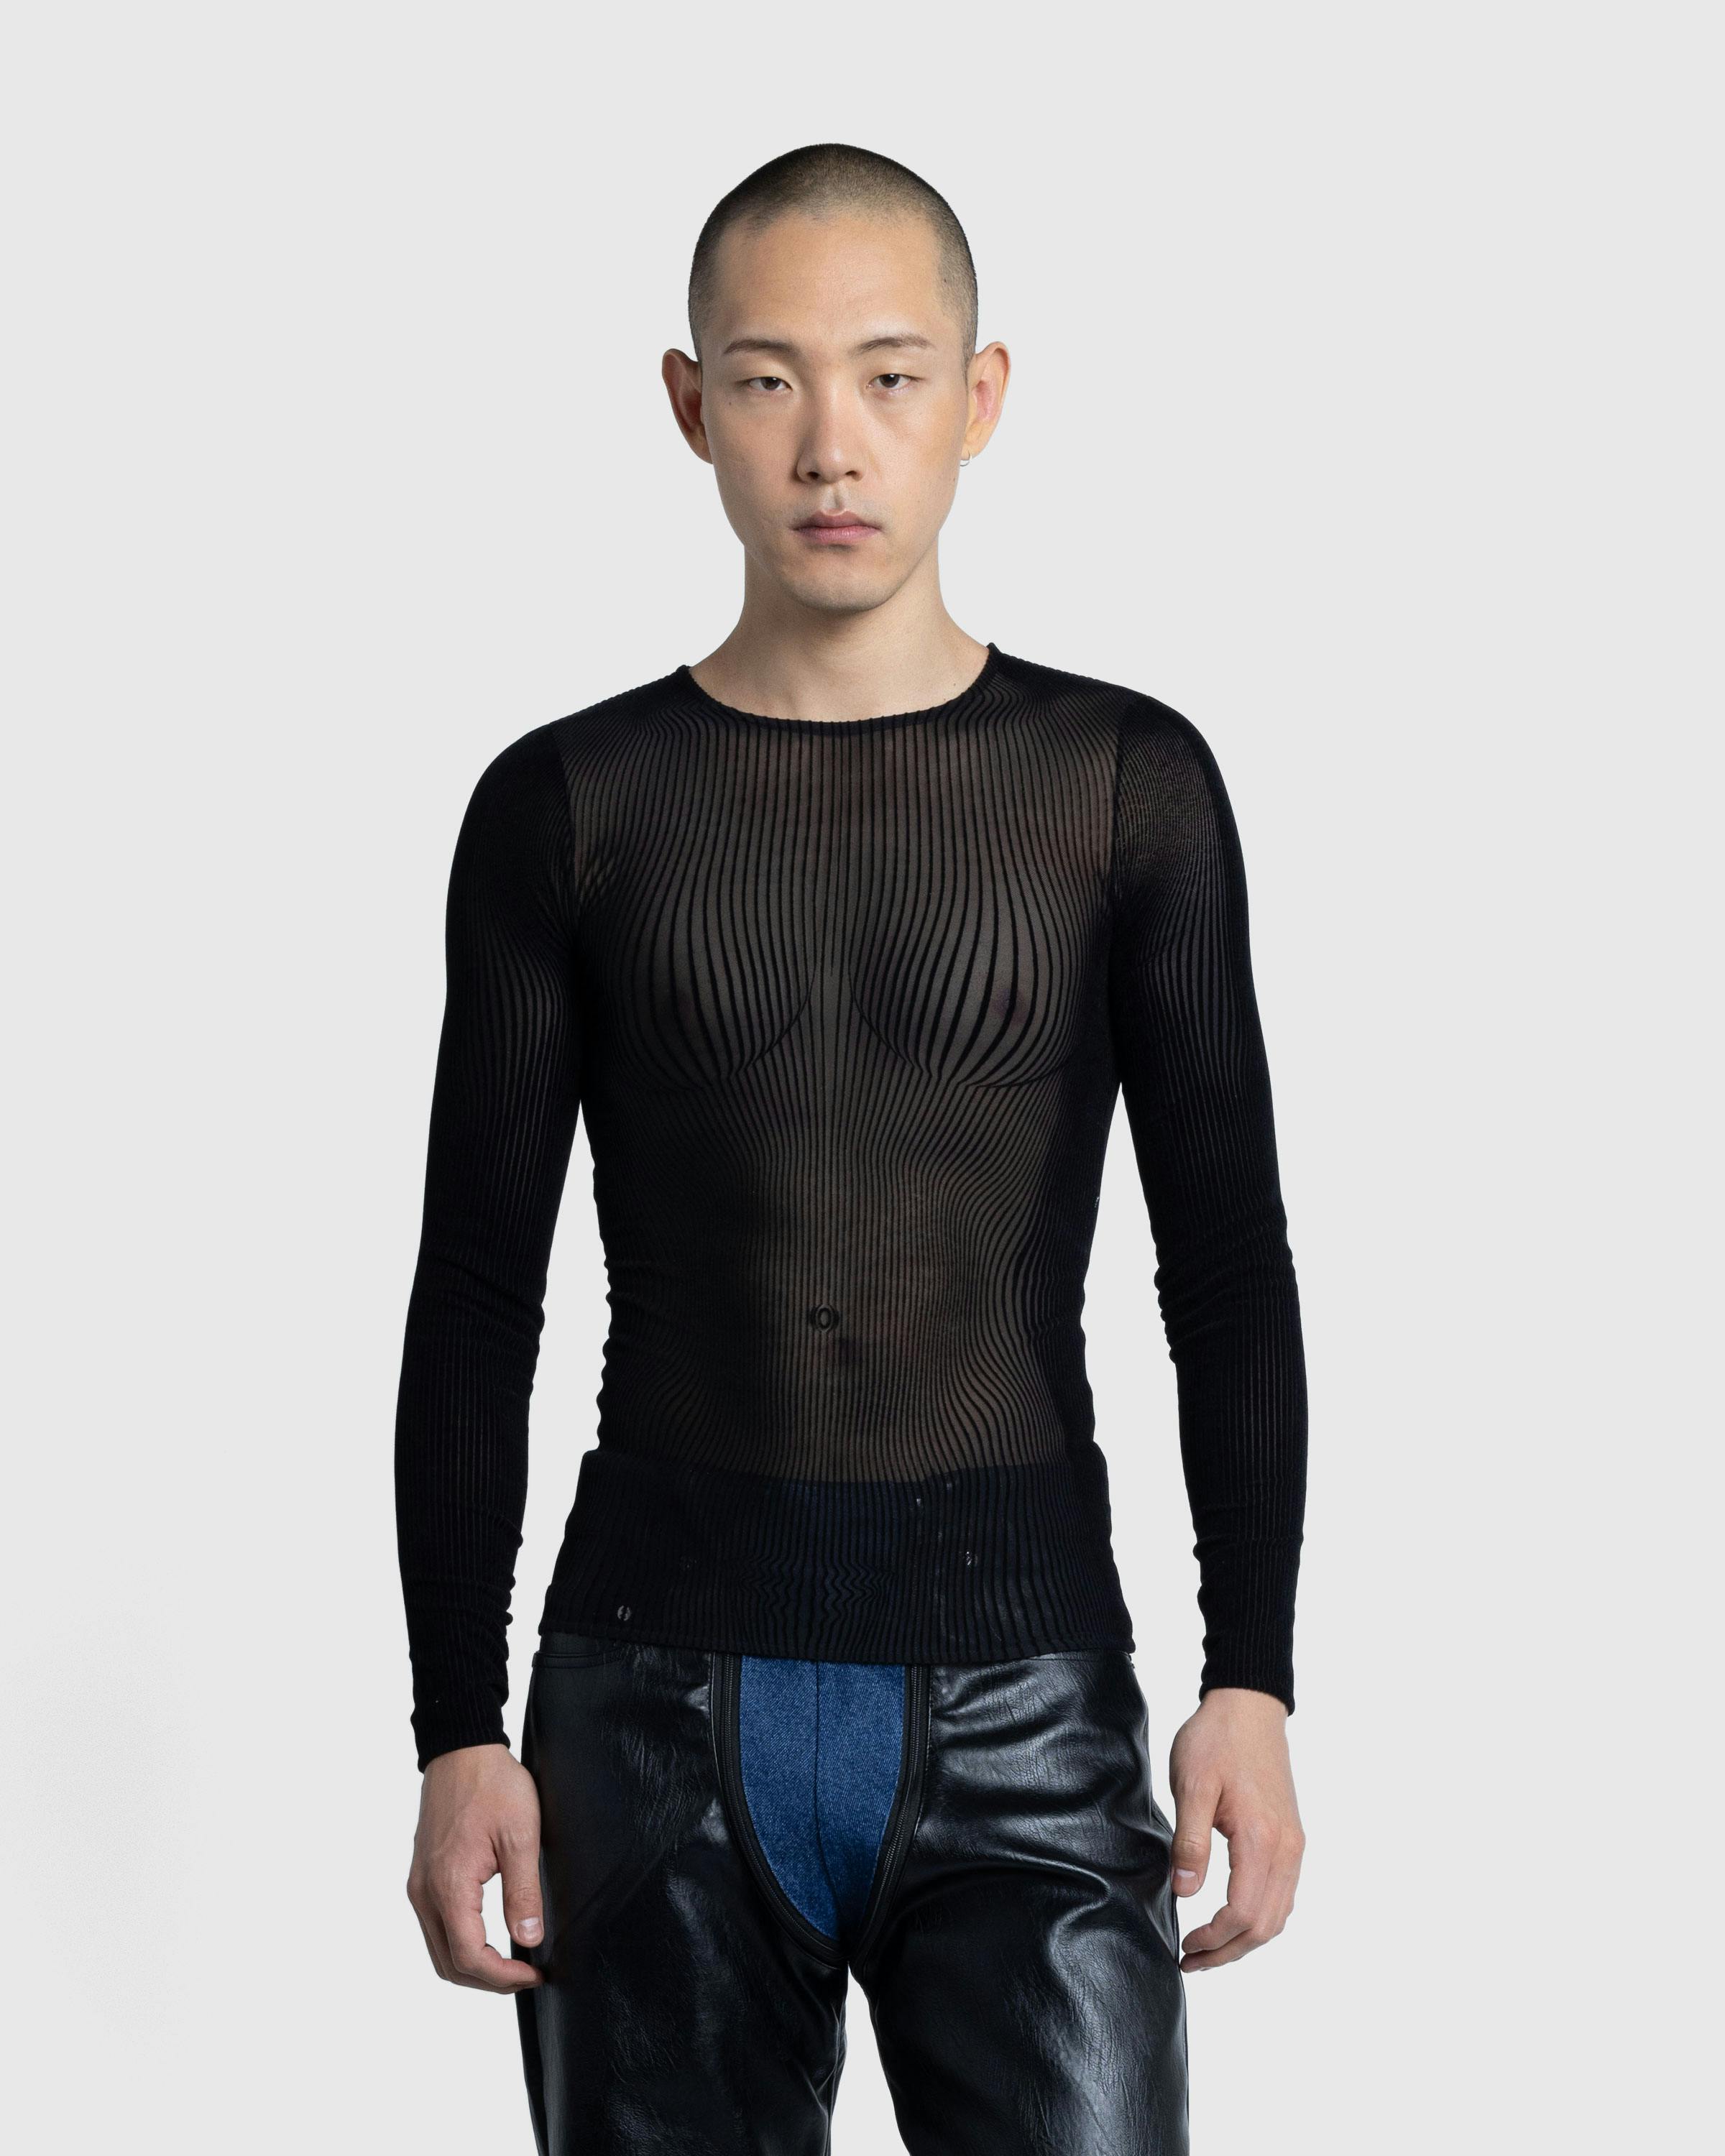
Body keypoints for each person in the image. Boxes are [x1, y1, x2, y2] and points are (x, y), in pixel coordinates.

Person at [395, 142, 1308, 2156]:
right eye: (769, 379)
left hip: (1029, 1693)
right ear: (689, 405)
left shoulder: (1121, 787)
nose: (832, 445)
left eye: (890, 378)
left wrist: (1253, 1673)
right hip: (647, 1710)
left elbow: (1229, 1263)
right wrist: (456, 1721)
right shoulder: (572, 806)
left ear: (978, 399)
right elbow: (474, 1297)